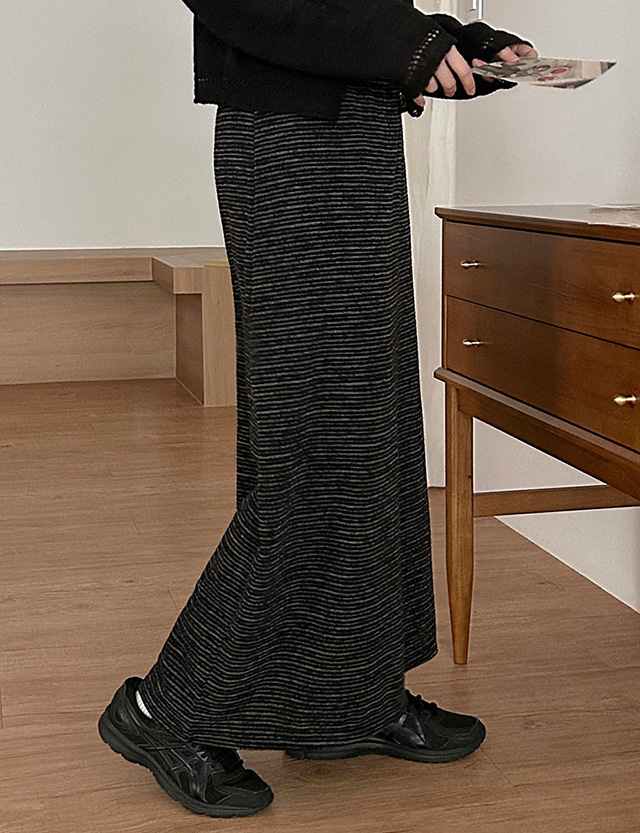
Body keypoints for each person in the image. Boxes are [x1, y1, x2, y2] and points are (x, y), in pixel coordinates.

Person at [98, 2, 537, 819]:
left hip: (354, 139)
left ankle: (350, 697)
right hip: (290, 146)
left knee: (371, 433)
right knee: (310, 449)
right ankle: (164, 708)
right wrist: (406, 43)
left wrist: (455, 44)